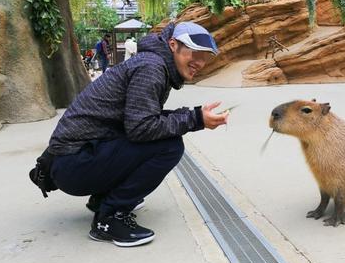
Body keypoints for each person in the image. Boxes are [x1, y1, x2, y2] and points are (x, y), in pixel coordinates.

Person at [46, 22, 227, 247]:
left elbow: (140, 117)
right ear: (173, 45)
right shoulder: (152, 67)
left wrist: (194, 115)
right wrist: (196, 119)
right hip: (72, 164)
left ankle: (102, 200)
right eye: (195, 53)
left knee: (162, 138)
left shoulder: (155, 63)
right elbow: (141, 128)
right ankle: (109, 218)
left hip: (72, 159)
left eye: (205, 57)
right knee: (169, 146)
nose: (200, 63)